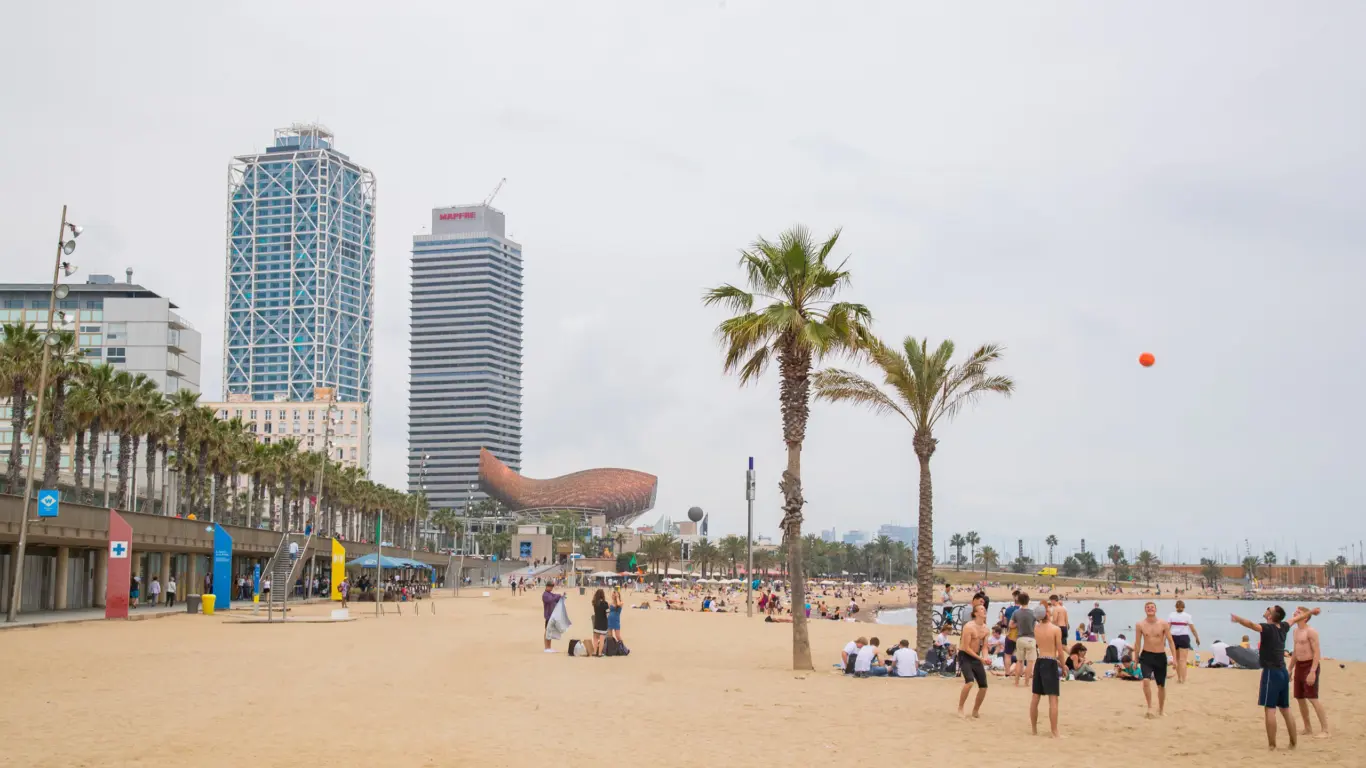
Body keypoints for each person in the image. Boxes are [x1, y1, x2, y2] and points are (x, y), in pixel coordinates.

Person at [1230, 605, 1315, 750]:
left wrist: (1238, 619)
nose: (1266, 609)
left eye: (1269, 609)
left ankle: (1272, 745)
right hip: (1282, 672)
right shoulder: (1283, 626)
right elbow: (1296, 618)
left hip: (1271, 672)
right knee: (1285, 708)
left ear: (1270, 616)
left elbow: (1251, 625)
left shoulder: (1268, 628)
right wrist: (1311, 612)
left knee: (1270, 709)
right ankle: (1293, 743)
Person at [1290, 606, 1329, 738]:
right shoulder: (1295, 631)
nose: (1295, 613)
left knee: (1312, 698)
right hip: (1299, 666)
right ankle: (1308, 727)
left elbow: (1317, 652)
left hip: (1310, 665)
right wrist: (1290, 668)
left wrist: (1312, 671)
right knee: (1300, 698)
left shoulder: (1311, 631)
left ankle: (1325, 730)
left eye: (1298, 612)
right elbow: (1295, 652)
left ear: (1305, 617)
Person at [1134, 601, 1174, 718]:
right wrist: (1136, 659)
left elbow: (1171, 641)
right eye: (1147, 607)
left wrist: (1174, 659)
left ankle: (1161, 710)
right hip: (1146, 656)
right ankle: (1150, 707)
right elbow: (1137, 643)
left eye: (1152, 607)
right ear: (1145, 610)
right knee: (1146, 681)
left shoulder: (1163, 624)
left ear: (1155, 610)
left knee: (1161, 685)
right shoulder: (1140, 624)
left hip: (1160, 656)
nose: (1150, 609)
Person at [1030, 601, 1064, 737]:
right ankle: (1054, 731)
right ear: (1047, 614)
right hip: (1050, 661)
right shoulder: (1055, 629)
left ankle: (1034, 729)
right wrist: (1063, 665)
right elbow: (1060, 650)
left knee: (1035, 696)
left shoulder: (1036, 628)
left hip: (1039, 661)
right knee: (1053, 699)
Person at [958, 604, 990, 718]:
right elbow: (966, 647)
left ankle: (975, 710)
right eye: (981, 609)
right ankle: (960, 708)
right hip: (964, 655)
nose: (984, 610)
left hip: (976, 656)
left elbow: (985, 647)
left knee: (983, 686)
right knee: (970, 682)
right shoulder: (969, 626)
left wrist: (985, 657)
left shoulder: (986, 629)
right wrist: (981, 658)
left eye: (984, 609)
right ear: (976, 613)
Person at [1168, 599, 1201, 683]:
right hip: (1184, 637)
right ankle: (1183, 679)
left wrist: (1164, 639)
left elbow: (1167, 628)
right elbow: (1192, 629)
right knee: (1183, 660)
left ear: (1175, 607)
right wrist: (1197, 637)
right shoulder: (1187, 616)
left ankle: (1179, 678)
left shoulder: (1171, 615)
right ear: (1184, 607)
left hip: (1173, 638)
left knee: (1177, 659)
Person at [1009, 592, 1037, 688]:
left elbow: (1011, 625)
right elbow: (1036, 625)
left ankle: (1016, 682)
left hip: (1020, 638)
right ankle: (1026, 682)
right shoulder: (1032, 613)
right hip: (1031, 638)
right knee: (1030, 661)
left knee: (1019, 661)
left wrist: (1018, 624)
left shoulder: (1016, 612)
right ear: (1028, 601)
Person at [542, 582, 564, 653]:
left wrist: (561, 596)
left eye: (552, 587)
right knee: (547, 632)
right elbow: (550, 599)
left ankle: (548, 647)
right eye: (550, 587)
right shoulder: (545, 594)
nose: (551, 588)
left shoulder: (550, 594)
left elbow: (556, 597)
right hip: (548, 615)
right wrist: (557, 596)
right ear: (547, 586)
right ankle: (547, 647)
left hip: (552, 615)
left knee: (549, 632)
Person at [591, 589, 609, 656]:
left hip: (597, 622)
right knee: (602, 639)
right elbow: (607, 614)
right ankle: (600, 653)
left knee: (595, 638)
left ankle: (595, 652)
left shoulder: (595, 603)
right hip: (603, 623)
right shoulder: (605, 603)